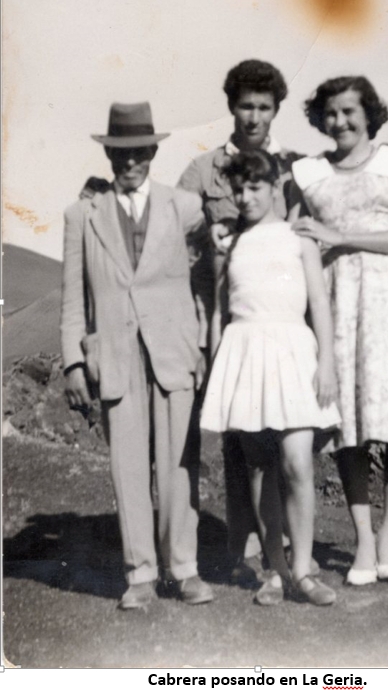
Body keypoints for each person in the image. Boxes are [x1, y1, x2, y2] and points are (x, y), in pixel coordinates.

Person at [177, 58, 388, 583]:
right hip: (255, 316)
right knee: (255, 440)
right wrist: (209, 234)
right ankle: (256, 551)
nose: (254, 116)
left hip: (333, 311)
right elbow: (185, 223)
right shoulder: (213, 170)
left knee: (316, 436)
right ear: (232, 108)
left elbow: (348, 189)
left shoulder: (299, 166)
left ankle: (315, 547)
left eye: (264, 107)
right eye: (246, 106)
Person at [290, 76, 388, 586]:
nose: (340, 121)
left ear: (369, 113)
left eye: (350, 111)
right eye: (331, 113)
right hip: (335, 303)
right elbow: (294, 233)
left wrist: (339, 235)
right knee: (347, 426)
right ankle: (362, 540)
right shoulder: (308, 173)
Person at [60, 102, 214, 609]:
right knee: (127, 466)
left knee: (179, 465)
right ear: (108, 156)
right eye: (120, 153)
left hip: (173, 351)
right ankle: (140, 576)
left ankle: (184, 569)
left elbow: (207, 274)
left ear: (152, 151)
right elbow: (72, 295)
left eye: (139, 152)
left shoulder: (183, 206)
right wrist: (73, 361)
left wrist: (203, 341)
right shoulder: (82, 215)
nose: (130, 162)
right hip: (115, 354)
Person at [200, 149, 341, 606]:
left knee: (298, 462)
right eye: (238, 189)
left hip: (293, 350)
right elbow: (220, 312)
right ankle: (275, 571)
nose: (245, 197)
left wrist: (326, 363)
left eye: (255, 187)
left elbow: (319, 304)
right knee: (260, 466)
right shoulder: (229, 243)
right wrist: (219, 372)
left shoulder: (299, 238)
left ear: (275, 186)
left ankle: (303, 570)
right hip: (245, 353)